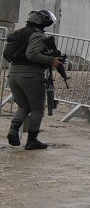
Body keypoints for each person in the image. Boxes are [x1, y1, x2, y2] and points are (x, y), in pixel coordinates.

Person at [5, 9, 63, 150]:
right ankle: (32, 140)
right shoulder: (37, 35)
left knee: (24, 106)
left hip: (13, 74)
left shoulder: (19, 33)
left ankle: (13, 131)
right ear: (40, 21)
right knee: (37, 108)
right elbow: (32, 54)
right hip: (30, 75)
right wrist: (51, 60)